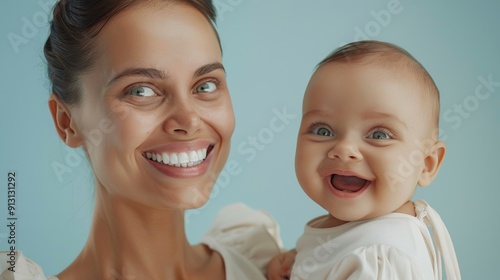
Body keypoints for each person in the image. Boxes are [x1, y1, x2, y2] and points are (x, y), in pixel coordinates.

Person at [0, 0, 283, 279]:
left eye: (205, 86)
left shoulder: (267, 265)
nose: (189, 121)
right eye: (141, 91)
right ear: (67, 122)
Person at [267, 40, 461, 280]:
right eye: (323, 131)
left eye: (379, 135)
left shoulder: (381, 259)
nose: (344, 149)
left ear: (427, 163)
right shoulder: (363, 236)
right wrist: (301, 260)